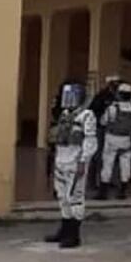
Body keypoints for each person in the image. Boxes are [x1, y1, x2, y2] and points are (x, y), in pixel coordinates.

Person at [44, 81, 97, 248]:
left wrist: (83, 161)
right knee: (62, 196)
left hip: (75, 161)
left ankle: (74, 234)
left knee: (75, 198)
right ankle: (64, 229)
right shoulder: (64, 114)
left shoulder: (87, 115)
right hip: (61, 159)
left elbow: (90, 140)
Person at [98, 81, 131, 200]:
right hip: (127, 139)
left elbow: (103, 121)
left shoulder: (112, 108)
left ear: (119, 94)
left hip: (112, 138)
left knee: (108, 163)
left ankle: (103, 191)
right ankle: (122, 190)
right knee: (125, 164)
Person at [87, 75, 121, 192]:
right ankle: (92, 181)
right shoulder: (101, 96)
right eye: (114, 83)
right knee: (97, 156)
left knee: (111, 155)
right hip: (100, 128)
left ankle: (107, 179)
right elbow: (93, 111)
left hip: (112, 129)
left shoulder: (118, 97)